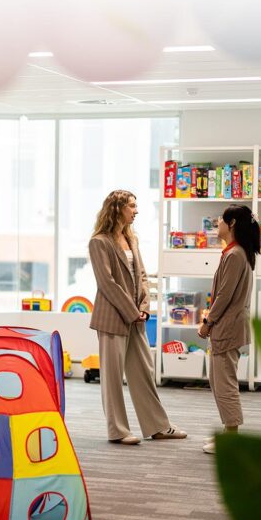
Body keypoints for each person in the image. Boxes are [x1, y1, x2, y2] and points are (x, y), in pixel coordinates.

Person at [88, 190, 187, 445]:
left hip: (136, 317)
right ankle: (118, 430)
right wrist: (132, 312)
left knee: (144, 370)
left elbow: (142, 276)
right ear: (117, 208)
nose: (136, 210)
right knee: (112, 378)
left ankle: (158, 426)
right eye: (132, 206)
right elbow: (107, 284)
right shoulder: (99, 242)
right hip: (113, 318)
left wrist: (144, 306)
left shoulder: (132, 239)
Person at [198, 204, 259, 455]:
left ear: (231, 223)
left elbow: (223, 295)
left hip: (227, 326)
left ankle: (232, 437)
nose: (217, 224)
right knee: (219, 380)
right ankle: (228, 432)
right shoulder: (234, 252)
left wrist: (207, 322)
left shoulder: (235, 255)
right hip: (228, 325)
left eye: (220, 220)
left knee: (225, 383)